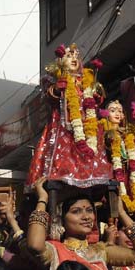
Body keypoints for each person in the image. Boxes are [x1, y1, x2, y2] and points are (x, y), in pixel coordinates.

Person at [25, 44, 112, 190]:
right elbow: (49, 95)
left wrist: (95, 95)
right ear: (60, 61)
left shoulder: (85, 81)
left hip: (86, 126)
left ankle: (88, 175)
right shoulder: (55, 78)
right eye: (69, 56)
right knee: (65, 156)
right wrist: (58, 88)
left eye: (76, 57)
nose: (74, 59)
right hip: (63, 125)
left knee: (91, 150)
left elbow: (95, 101)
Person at [100, 99, 135, 213]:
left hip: (126, 169)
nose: (117, 113)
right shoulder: (104, 130)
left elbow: (134, 155)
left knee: (130, 182)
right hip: (112, 169)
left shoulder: (126, 134)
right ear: (106, 113)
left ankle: (132, 201)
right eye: (113, 110)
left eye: (120, 111)